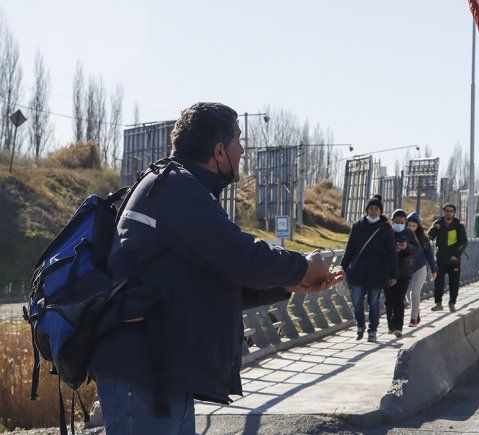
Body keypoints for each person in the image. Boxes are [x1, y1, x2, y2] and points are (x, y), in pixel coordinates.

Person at [87, 102, 343, 434]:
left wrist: (289, 284)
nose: (243, 151)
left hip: (160, 371)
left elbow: (216, 277)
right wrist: (303, 268)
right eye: (239, 141)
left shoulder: (179, 187)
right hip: (141, 373)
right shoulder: (177, 188)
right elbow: (241, 256)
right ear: (219, 151)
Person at [340, 195, 398, 343]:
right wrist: (343, 266)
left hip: (378, 271)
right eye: (371, 208)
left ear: (381, 211)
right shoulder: (357, 226)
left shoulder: (386, 228)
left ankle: (373, 330)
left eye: (376, 208)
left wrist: (393, 274)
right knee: (357, 300)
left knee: (373, 302)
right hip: (358, 269)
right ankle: (360, 325)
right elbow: (350, 248)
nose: (373, 211)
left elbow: (392, 253)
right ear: (366, 210)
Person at [385, 209, 420, 337]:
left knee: (399, 299)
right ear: (392, 220)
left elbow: (416, 249)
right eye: (397, 221)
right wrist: (392, 250)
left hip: (404, 272)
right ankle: (390, 325)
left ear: (405, 222)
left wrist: (406, 247)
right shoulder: (387, 232)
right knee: (389, 300)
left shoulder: (409, 233)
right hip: (388, 271)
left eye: (402, 221)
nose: (399, 223)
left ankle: (398, 326)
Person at [428, 204, 468, 313]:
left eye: (451, 211)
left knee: (454, 283)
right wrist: (434, 228)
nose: (448, 213)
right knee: (438, 281)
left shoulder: (458, 225)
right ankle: (438, 303)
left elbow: (464, 242)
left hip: (454, 260)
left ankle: (452, 303)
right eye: (446, 211)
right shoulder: (438, 224)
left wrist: (457, 254)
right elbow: (429, 237)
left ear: (454, 213)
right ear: (443, 212)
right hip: (441, 259)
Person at [406, 212, 437, 327]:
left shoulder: (424, 239)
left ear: (418, 226)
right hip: (407, 270)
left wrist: (434, 270)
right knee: (407, 295)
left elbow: (430, 256)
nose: (411, 228)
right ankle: (416, 312)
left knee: (415, 292)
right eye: (408, 226)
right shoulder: (402, 237)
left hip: (420, 268)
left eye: (413, 226)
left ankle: (413, 319)